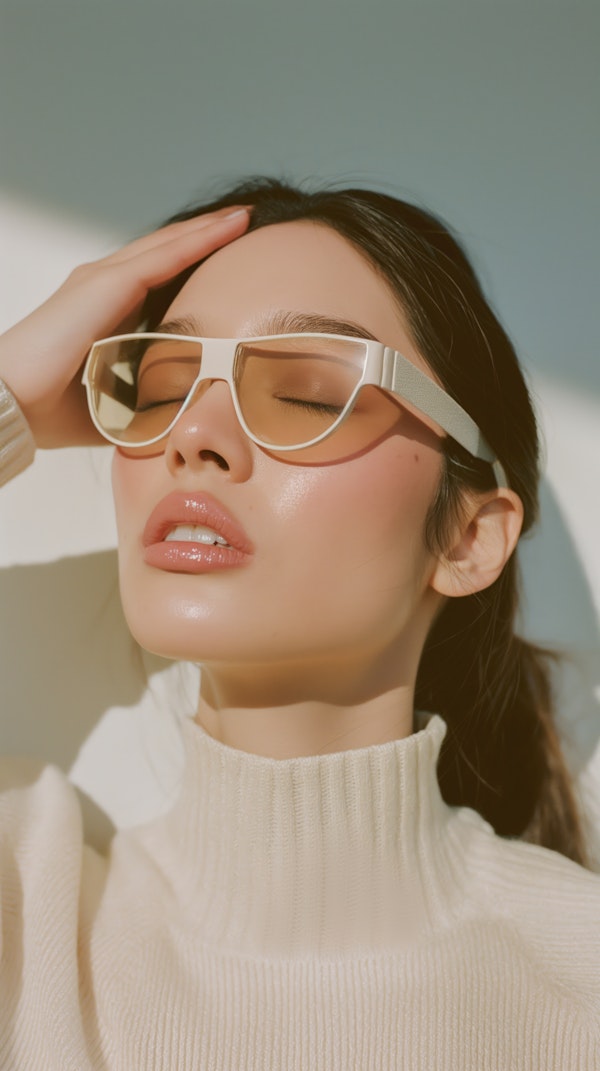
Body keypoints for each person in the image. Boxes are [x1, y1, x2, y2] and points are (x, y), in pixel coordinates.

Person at [0, 179, 598, 1070]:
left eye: (312, 394)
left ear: (470, 539)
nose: (192, 435)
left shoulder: (579, 975)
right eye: (161, 384)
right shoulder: (29, 904)